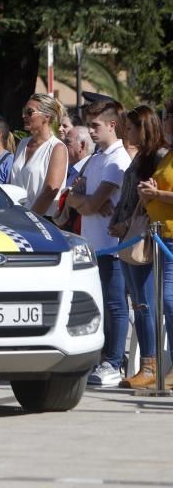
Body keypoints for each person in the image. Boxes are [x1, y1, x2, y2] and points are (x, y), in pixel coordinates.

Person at [66, 100, 131, 387]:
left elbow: (90, 201)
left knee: (115, 305)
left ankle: (114, 361)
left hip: (112, 246)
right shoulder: (96, 158)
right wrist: (85, 202)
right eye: (89, 125)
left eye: (96, 125)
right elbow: (75, 196)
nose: (90, 131)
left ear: (112, 125)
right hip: (93, 243)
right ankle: (103, 356)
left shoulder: (117, 160)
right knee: (100, 303)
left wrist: (87, 202)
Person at [108, 106, 167, 388]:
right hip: (128, 233)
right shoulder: (141, 156)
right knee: (139, 302)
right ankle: (147, 363)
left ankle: (151, 363)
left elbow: (147, 198)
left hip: (146, 233)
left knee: (146, 302)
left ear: (144, 128)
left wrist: (129, 221)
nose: (126, 132)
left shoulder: (157, 156)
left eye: (130, 128)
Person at [138, 98, 173, 384]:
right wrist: (147, 191)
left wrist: (157, 195)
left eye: (169, 116)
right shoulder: (169, 156)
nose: (166, 122)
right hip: (163, 236)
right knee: (166, 302)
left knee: (169, 301)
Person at [10, 93, 68, 216]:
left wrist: (31, 220)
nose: (23, 116)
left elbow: (50, 192)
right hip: (18, 216)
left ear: (46, 117)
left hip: (42, 219)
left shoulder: (57, 148)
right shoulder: (22, 144)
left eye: (29, 112)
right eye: (24, 111)